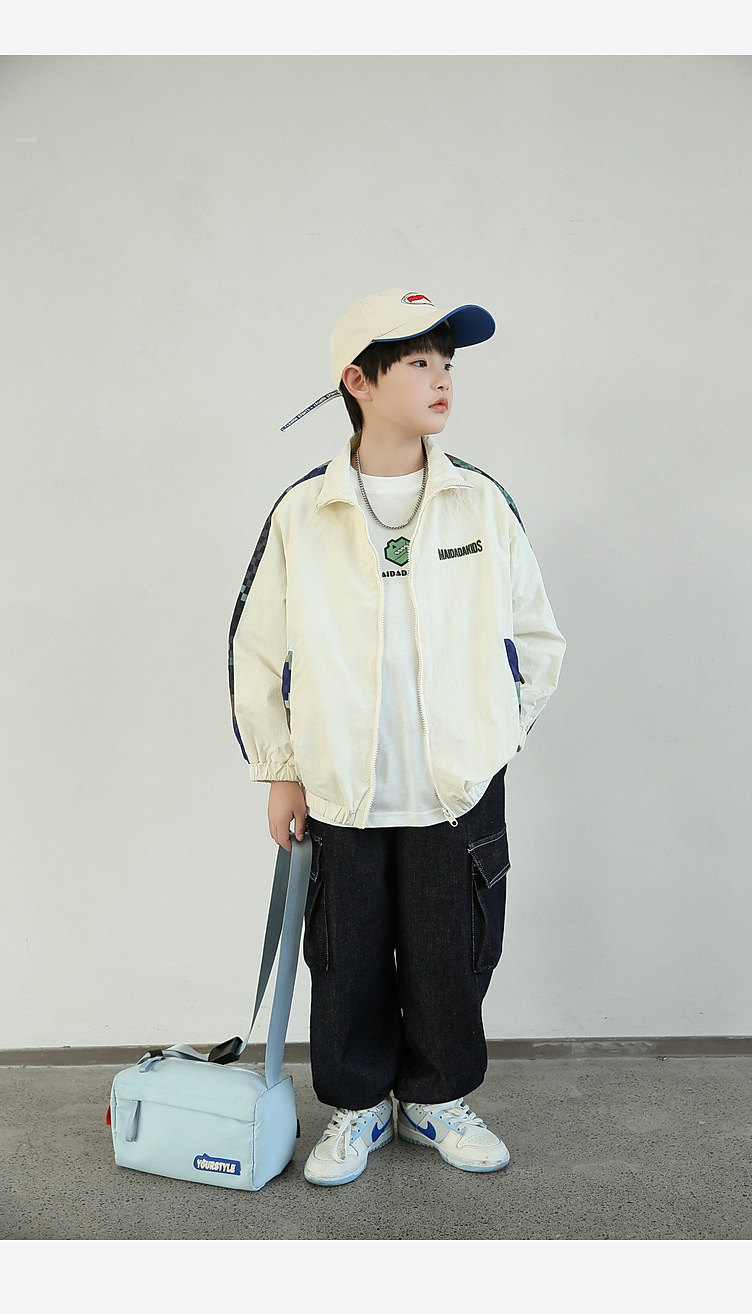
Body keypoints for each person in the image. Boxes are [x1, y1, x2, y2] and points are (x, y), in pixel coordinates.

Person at [229, 288, 565, 1186]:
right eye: (418, 362)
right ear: (358, 380)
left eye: (447, 363)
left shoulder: (479, 503)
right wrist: (281, 770)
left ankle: (436, 1099)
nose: (442, 378)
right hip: (341, 788)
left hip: (456, 788)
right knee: (344, 958)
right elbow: (256, 651)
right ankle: (357, 1108)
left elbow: (537, 637)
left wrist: (493, 736)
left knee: (453, 952)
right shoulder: (304, 512)